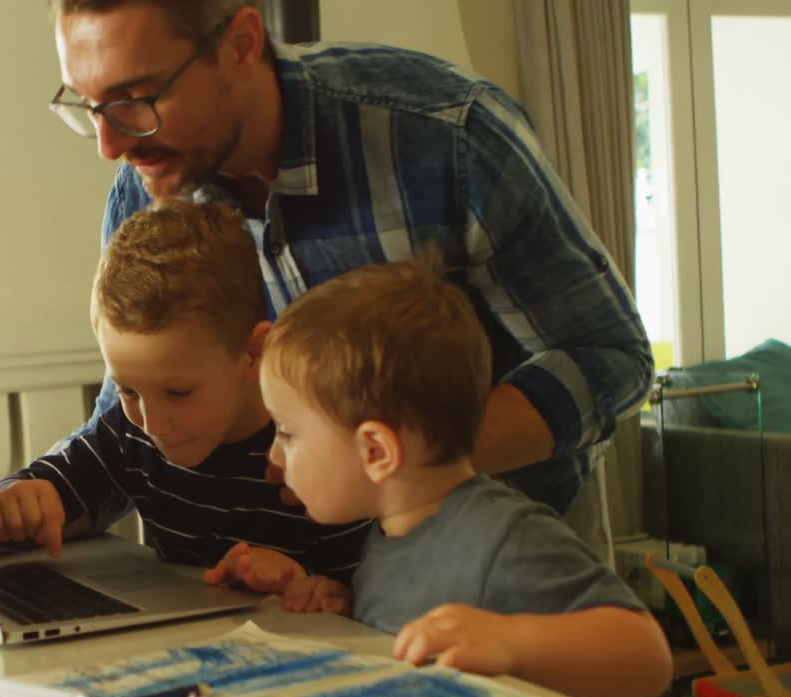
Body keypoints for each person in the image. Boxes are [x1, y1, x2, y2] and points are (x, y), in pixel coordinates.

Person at [46, 0, 653, 517]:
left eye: (136, 98)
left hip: (507, 561)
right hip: (310, 587)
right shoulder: (145, 187)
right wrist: (23, 507)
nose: (110, 145)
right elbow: (132, 421)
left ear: (240, 44)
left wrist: (392, 466)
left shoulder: (447, 136)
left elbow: (609, 359)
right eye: (90, 105)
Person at [0, 199, 368, 588]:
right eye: (126, 389)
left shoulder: (309, 450)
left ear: (253, 353)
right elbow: (56, 484)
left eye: (178, 391)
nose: (152, 421)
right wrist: (5, 509)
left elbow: (366, 595)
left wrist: (309, 586)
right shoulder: (131, 434)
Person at [249, 253, 671, 697]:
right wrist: (349, 607)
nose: (274, 453)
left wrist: (510, 640)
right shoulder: (389, 534)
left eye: (287, 433)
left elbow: (647, 657)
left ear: (376, 452)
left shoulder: (502, 536)